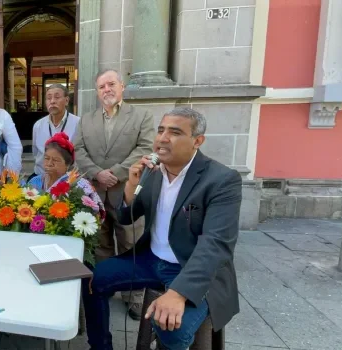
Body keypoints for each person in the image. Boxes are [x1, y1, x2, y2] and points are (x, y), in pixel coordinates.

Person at [82, 107, 242, 350]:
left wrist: (179, 292)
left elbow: (216, 244)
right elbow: (126, 217)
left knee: (171, 328)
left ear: (197, 141)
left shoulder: (221, 180)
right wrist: (130, 186)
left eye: (175, 132)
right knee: (94, 280)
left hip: (190, 267)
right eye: (160, 130)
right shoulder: (152, 173)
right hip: (151, 259)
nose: (163, 138)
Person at [73, 69, 154, 318]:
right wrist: (97, 173)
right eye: (101, 87)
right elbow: (78, 149)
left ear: (122, 86)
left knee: (131, 243)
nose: (106, 90)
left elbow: (146, 148)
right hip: (96, 192)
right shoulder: (86, 120)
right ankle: (106, 285)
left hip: (126, 192)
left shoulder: (142, 116)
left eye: (111, 84)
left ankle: (135, 296)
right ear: (97, 92)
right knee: (101, 244)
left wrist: (116, 173)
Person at [27, 132, 103, 213]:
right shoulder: (34, 182)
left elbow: (95, 214)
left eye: (55, 160)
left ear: (68, 164)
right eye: (46, 158)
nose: (49, 163)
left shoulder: (80, 185)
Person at [31, 84, 80, 180]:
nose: (52, 101)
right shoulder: (38, 125)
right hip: (41, 178)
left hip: (68, 180)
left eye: (57, 97)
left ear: (66, 100)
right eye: (48, 98)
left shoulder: (78, 123)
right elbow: (36, 153)